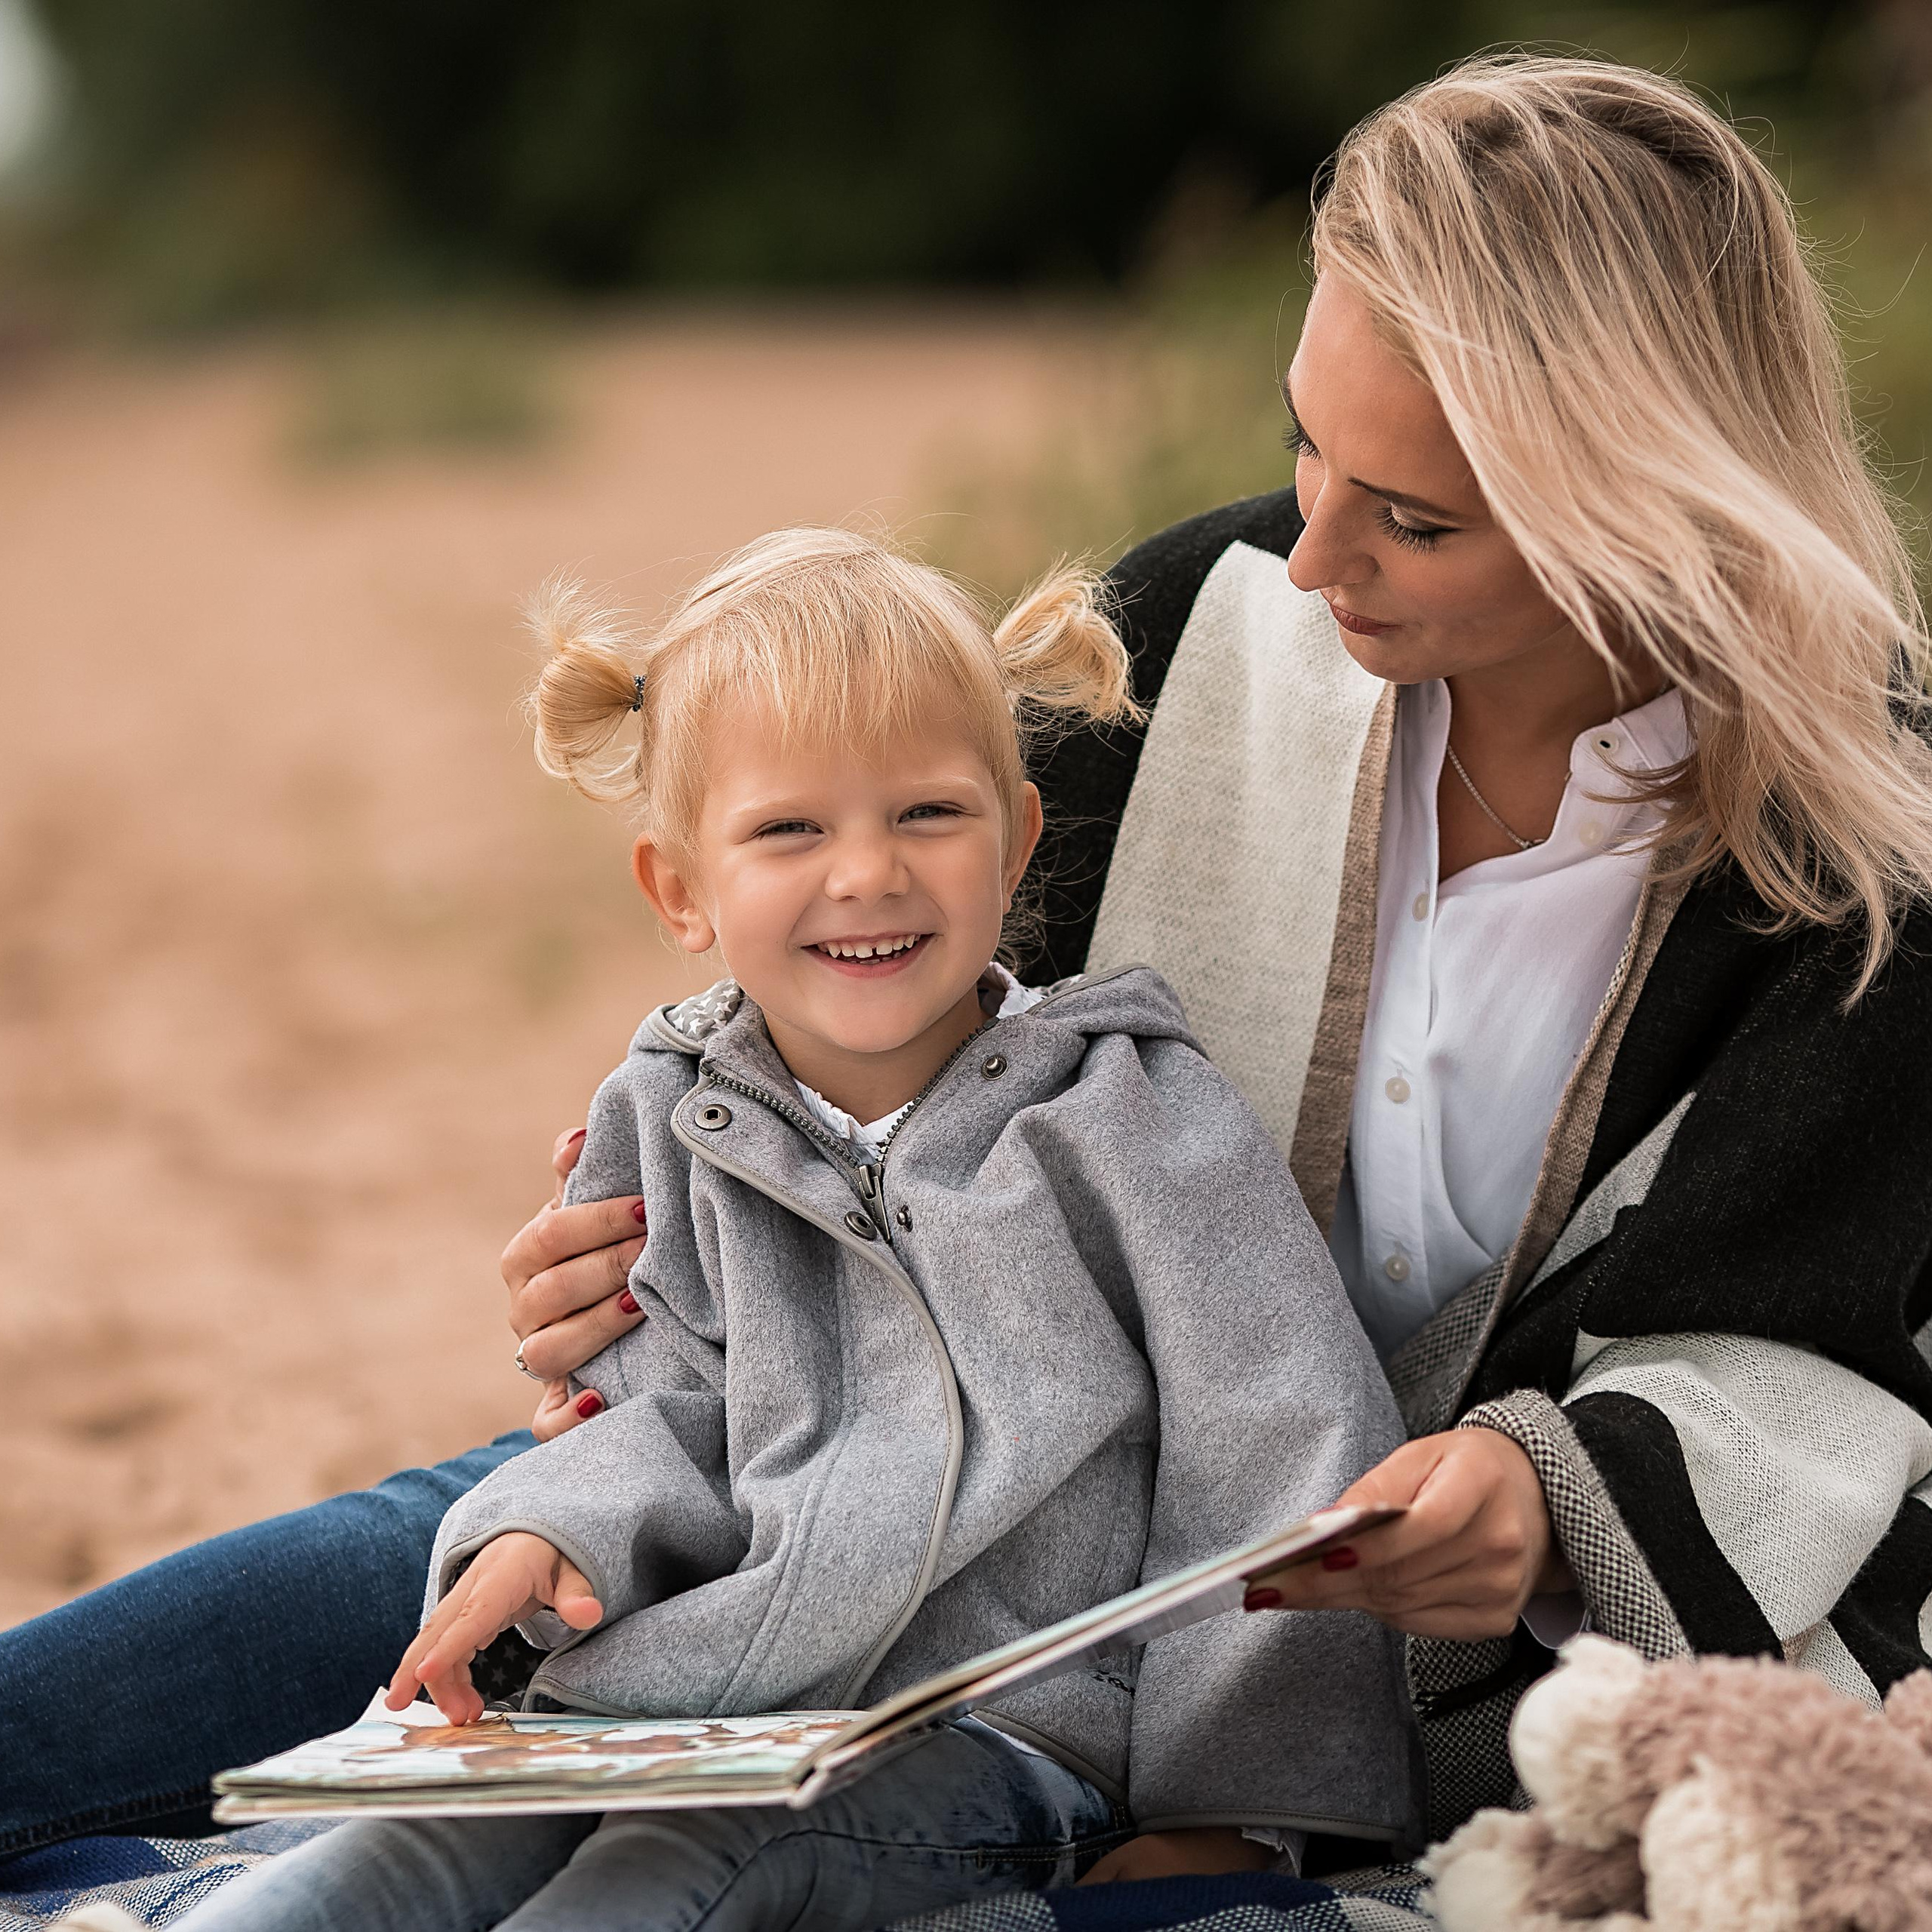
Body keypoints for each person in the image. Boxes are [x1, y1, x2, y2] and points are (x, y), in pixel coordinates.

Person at [7, 47, 1931, 1918]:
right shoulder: (1196, 634)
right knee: (309, 1633)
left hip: (1278, 1655)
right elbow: (864, 995)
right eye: (1300, 444)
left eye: (1412, 517)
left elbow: (1820, 1349)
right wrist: (644, 1242)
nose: (1310, 551)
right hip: (810, 1476)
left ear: (1652, 504)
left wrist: (1540, 1504)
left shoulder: (1872, 850)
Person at [162, 528, 1417, 1932]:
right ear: (679, 888)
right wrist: (547, 1534)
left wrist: (1224, 1811)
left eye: (928, 815)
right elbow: (664, 1410)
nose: (868, 873)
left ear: (1018, 838)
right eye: (789, 829)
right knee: (386, 1858)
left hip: (1005, 1742)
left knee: (683, 1874)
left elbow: (1284, 1450)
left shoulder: (1133, 1121)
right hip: (707, 1699)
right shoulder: (667, 1118)